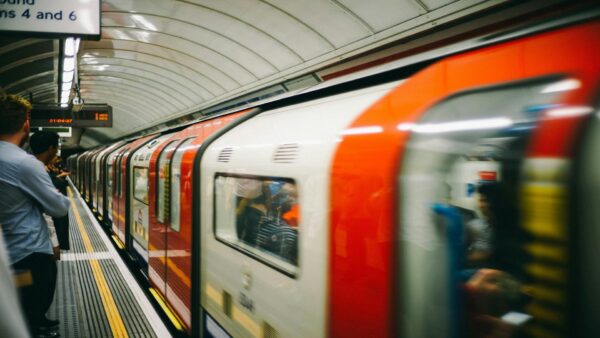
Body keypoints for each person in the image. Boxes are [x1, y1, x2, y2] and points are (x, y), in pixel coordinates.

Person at [0, 93, 70, 338]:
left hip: (5, 252)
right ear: (25, 124)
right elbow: (58, 207)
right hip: (27, 251)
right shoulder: (24, 163)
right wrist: (62, 196)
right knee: (33, 301)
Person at [30, 132, 70, 250]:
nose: (56, 152)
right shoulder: (38, 172)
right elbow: (49, 212)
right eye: (56, 148)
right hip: (40, 241)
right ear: (50, 149)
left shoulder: (30, 168)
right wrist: (54, 241)